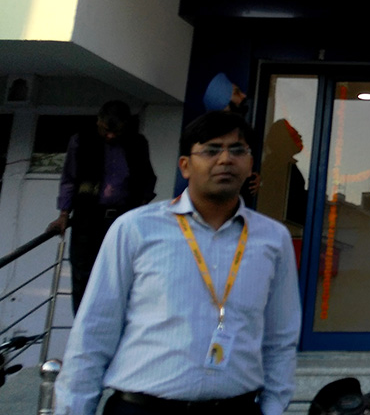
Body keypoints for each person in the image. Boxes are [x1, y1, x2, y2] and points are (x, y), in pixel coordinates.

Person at [54, 111, 301, 415]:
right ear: (185, 165)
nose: (225, 159)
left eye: (238, 150)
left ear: (250, 164)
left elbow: (281, 336)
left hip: (235, 407)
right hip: (143, 408)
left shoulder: (273, 239)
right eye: (211, 150)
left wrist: (273, 406)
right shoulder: (136, 228)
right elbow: (94, 329)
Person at [47, 100, 157, 313]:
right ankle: (83, 324)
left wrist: (141, 207)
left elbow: (147, 179)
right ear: (98, 121)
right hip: (88, 218)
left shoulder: (137, 143)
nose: (111, 136)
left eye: (117, 131)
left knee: (122, 274)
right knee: (83, 276)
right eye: (106, 130)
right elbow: (69, 179)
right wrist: (64, 214)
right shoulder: (81, 141)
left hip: (124, 218)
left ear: (126, 126)